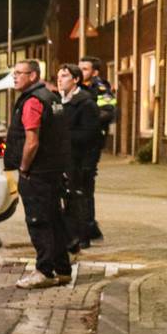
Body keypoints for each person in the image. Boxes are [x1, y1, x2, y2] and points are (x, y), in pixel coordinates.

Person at [5, 60, 72, 289]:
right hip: (54, 170)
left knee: (38, 222)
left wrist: (24, 169)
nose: (15, 77)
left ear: (33, 75)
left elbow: (31, 142)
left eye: (19, 73)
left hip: (37, 172)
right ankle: (63, 270)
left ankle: (44, 271)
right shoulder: (52, 98)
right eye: (13, 73)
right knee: (55, 220)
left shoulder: (33, 101)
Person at [56, 64, 101, 252]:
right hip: (65, 160)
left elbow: (90, 134)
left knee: (79, 199)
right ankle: (71, 235)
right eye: (58, 76)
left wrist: (61, 135)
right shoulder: (59, 102)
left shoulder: (85, 103)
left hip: (80, 161)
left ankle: (82, 237)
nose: (60, 79)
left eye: (65, 76)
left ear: (76, 80)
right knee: (67, 198)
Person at [77, 56, 115, 241]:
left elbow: (108, 111)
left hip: (92, 142)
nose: (80, 71)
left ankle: (88, 226)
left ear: (95, 72)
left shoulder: (100, 88)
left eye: (85, 68)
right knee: (79, 184)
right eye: (80, 67)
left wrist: (86, 121)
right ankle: (87, 225)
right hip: (78, 143)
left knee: (85, 182)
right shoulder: (76, 87)